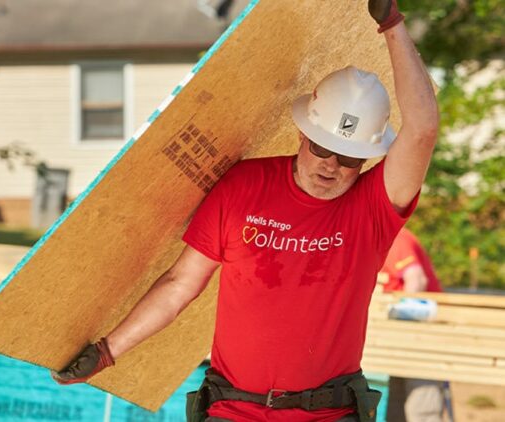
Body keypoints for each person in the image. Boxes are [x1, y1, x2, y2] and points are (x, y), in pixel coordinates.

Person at [52, 1, 439, 421]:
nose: (330, 165)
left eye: (348, 157)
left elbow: (421, 128)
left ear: (367, 159)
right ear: (302, 132)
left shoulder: (374, 208)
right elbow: (181, 283)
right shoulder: (244, 186)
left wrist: (393, 24)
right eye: (323, 148)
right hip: (232, 410)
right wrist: (107, 352)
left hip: (327, 415)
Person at [378, 227, 445, 422]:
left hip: (419, 333)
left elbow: (416, 280)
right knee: (394, 402)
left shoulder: (394, 237)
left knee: (422, 404)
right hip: (397, 336)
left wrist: (402, 325)